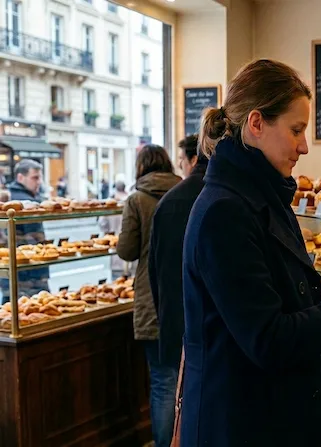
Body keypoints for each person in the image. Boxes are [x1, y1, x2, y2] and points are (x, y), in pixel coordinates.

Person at [180, 59, 321, 446]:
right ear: (256, 123)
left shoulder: (261, 196)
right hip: (245, 425)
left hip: (270, 416)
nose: (304, 146)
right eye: (296, 130)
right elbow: (268, 340)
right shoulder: (225, 212)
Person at [116, 144, 181, 447]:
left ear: (140, 167)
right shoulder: (186, 192)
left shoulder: (137, 200)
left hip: (151, 299)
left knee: (162, 382)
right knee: (184, 379)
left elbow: (127, 250)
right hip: (184, 296)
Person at [146, 134, 204, 445]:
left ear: (194, 159)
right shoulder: (223, 197)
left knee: (169, 386)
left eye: (182, 160)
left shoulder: (169, 202)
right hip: (208, 325)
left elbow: (152, 268)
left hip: (173, 312)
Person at [3, 160, 48, 300]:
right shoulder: (26, 204)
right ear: (20, 178)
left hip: (12, 271)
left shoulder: (10, 198)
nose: (39, 182)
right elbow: (35, 241)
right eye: (35, 177)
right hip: (29, 275)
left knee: (10, 309)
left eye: (40, 177)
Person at [99, 180, 132, 278]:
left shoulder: (110, 204)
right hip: (132, 255)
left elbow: (103, 225)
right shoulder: (131, 201)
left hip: (116, 253)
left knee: (117, 285)